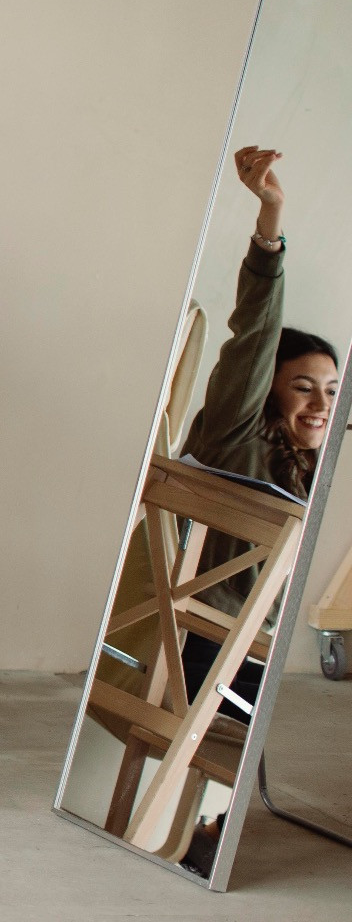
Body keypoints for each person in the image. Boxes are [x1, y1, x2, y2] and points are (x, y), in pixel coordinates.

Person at [178, 144, 340, 717]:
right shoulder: (236, 436)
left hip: (259, 652)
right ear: (268, 389)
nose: (322, 403)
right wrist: (270, 220)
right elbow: (255, 333)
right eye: (303, 386)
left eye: (332, 389)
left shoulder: (317, 467)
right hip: (204, 651)